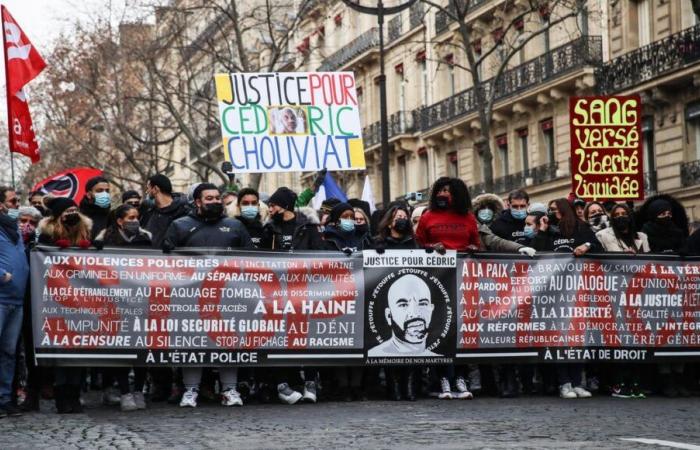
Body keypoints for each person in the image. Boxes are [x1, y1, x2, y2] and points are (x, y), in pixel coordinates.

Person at [163, 183, 252, 408]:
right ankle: (191, 390)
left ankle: (229, 390)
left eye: (217, 198)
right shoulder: (179, 226)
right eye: (209, 198)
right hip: (190, 297)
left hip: (229, 296)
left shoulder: (236, 226)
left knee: (229, 341)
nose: (214, 201)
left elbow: (253, 259)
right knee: (192, 342)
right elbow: (166, 261)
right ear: (198, 202)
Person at [415, 177, 478, 400]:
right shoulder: (428, 217)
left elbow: (477, 243)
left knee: (461, 330)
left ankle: (460, 377)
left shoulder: (468, 218)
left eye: (449, 191)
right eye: (440, 190)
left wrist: (472, 249)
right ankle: (441, 378)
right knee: (440, 329)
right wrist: (432, 248)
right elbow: (418, 245)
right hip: (436, 281)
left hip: (463, 281)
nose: (444, 194)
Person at [530, 198, 598, 399]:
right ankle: (564, 383)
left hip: (577, 290)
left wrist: (586, 246)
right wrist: (542, 229)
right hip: (554, 291)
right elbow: (536, 253)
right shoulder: (549, 230)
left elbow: (597, 245)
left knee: (576, 338)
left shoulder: (581, 228)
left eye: (555, 210)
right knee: (558, 338)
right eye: (549, 210)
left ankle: (577, 382)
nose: (551, 213)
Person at [263, 187, 323, 404]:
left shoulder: (308, 227)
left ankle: (310, 382)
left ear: (286, 206)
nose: (270, 209)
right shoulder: (269, 229)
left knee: (305, 336)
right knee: (279, 337)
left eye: (273, 205)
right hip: (277, 293)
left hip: (305, 291)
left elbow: (321, 256)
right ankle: (283, 384)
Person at [37, 197, 93, 413]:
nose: (72, 214)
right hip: (56, 299)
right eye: (67, 211)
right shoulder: (47, 234)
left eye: (74, 210)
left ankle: (75, 395)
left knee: (80, 347)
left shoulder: (84, 231)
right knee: (63, 347)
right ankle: (62, 397)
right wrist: (52, 250)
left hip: (81, 299)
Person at [95, 204, 151, 411]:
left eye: (137, 217)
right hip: (115, 300)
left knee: (142, 347)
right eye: (130, 217)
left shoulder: (146, 238)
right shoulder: (103, 239)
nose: (135, 221)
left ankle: (138, 390)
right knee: (121, 346)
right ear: (119, 220)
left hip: (140, 299)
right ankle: (125, 392)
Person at [594, 203, 649, 399]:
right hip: (614, 293)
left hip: (636, 294)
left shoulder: (642, 237)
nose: (620, 217)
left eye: (624, 214)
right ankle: (617, 383)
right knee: (617, 340)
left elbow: (649, 262)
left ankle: (634, 382)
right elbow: (598, 261)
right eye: (616, 214)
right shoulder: (604, 236)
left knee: (635, 338)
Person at [0, 187, 29, 417]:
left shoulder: (16, 231)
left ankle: (5, 398)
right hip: (0, 298)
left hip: (16, 302)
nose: (17, 205)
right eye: (13, 201)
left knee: (9, 352)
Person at [141, 174, 190, 249]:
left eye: (148, 188)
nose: (147, 191)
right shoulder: (148, 210)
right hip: (151, 257)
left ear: (156, 189)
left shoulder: (184, 210)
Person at [80, 176, 112, 240]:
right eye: (100, 190)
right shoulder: (79, 217)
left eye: (107, 191)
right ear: (89, 195)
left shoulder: (113, 216)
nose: (105, 193)